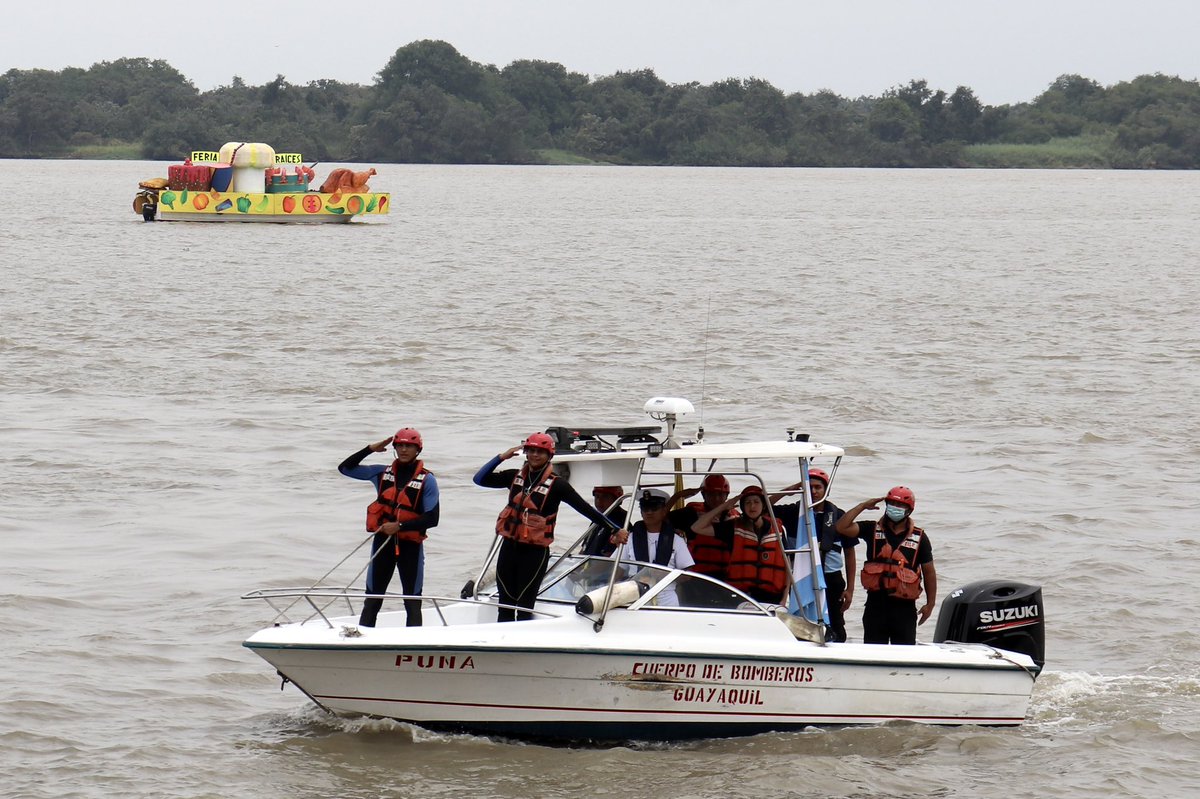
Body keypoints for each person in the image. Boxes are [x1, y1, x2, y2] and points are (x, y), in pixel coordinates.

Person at [474, 432, 628, 621]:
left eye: (540, 452)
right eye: (531, 451)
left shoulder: (558, 485)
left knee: (524, 606)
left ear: (549, 455)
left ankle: (523, 646)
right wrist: (501, 457)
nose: (535, 455)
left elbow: (585, 509)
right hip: (509, 549)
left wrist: (615, 529)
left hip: (534, 554)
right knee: (504, 604)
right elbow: (479, 479)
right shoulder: (513, 477)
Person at [338, 427, 440, 627]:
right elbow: (345, 469)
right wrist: (369, 449)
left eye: (409, 446)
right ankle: (362, 642)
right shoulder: (380, 473)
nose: (404, 450)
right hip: (382, 544)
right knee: (373, 599)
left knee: (412, 600)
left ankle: (412, 643)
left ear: (417, 449)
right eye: (400, 445)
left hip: (410, 547)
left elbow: (432, 518)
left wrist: (400, 526)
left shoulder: (428, 480)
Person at [835, 485, 937, 645]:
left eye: (900, 506)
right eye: (892, 505)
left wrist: (930, 605)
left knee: (904, 656)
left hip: (904, 609)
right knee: (873, 654)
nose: (895, 509)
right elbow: (842, 527)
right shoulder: (871, 529)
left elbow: (929, 573)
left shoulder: (920, 538)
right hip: (875, 606)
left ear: (909, 510)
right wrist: (862, 506)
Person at [770, 468, 857, 642]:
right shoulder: (792, 513)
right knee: (802, 625)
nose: (814, 492)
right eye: (809, 487)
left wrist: (850, 589)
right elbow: (764, 505)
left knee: (836, 625)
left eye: (818, 487)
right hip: (802, 577)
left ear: (826, 490)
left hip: (831, 579)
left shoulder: (839, 515)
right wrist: (790, 490)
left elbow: (849, 553)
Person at [692, 485, 788, 605]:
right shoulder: (732, 528)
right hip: (740, 597)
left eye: (756, 502)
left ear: (763, 505)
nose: (752, 506)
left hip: (771, 598)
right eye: (747, 503)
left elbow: (787, 567)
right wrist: (723, 507)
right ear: (742, 506)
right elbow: (697, 527)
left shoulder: (778, 530)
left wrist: (784, 599)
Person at [612, 488, 695, 605]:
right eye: (645, 508)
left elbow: (687, 574)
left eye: (654, 508)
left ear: (664, 511)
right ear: (641, 512)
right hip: (635, 597)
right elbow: (617, 570)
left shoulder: (676, 540)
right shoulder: (629, 539)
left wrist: (667, 574)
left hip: (666, 598)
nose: (649, 512)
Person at [667, 473, 738, 578]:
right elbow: (660, 519)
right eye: (711, 494)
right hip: (697, 577)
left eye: (720, 494)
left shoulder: (735, 518)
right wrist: (678, 496)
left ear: (726, 496)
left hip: (726, 578)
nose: (716, 499)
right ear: (704, 495)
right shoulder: (690, 514)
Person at [581, 486, 627, 556]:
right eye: (597, 497)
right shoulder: (597, 520)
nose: (599, 501)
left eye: (605, 497)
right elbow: (584, 549)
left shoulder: (622, 523)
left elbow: (609, 556)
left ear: (616, 500)